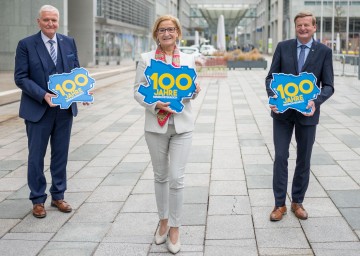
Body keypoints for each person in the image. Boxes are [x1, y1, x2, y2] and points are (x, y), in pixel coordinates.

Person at [134, 15, 200, 254]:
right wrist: (155, 105)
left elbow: (190, 89)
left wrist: (194, 91)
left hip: (182, 126)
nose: (167, 33)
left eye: (171, 29)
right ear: (156, 34)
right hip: (156, 126)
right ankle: (162, 222)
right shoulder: (146, 59)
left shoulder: (188, 59)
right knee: (160, 176)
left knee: (176, 178)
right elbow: (137, 91)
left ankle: (175, 228)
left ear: (178, 33)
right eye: (162, 30)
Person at [265, 11, 334, 221]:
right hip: (283, 114)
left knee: (304, 159)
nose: (302, 28)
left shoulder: (323, 51)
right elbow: (270, 79)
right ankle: (279, 204)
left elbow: (329, 86)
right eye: (299, 25)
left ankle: (297, 201)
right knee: (281, 157)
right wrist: (274, 97)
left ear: (314, 27)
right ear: (295, 28)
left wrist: (317, 101)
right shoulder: (283, 47)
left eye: (306, 25)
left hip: (308, 114)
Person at [14, 5, 81, 218]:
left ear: (58, 21)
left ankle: (58, 196)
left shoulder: (68, 42)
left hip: (64, 110)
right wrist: (43, 95)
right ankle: (37, 199)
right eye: (46, 20)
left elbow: (76, 71)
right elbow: (21, 77)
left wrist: (81, 92)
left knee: (60, 155)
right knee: (36, 157)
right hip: (38, 110)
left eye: (54, 20)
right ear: (38, 21)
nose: (50, 24)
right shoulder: (26, 45)